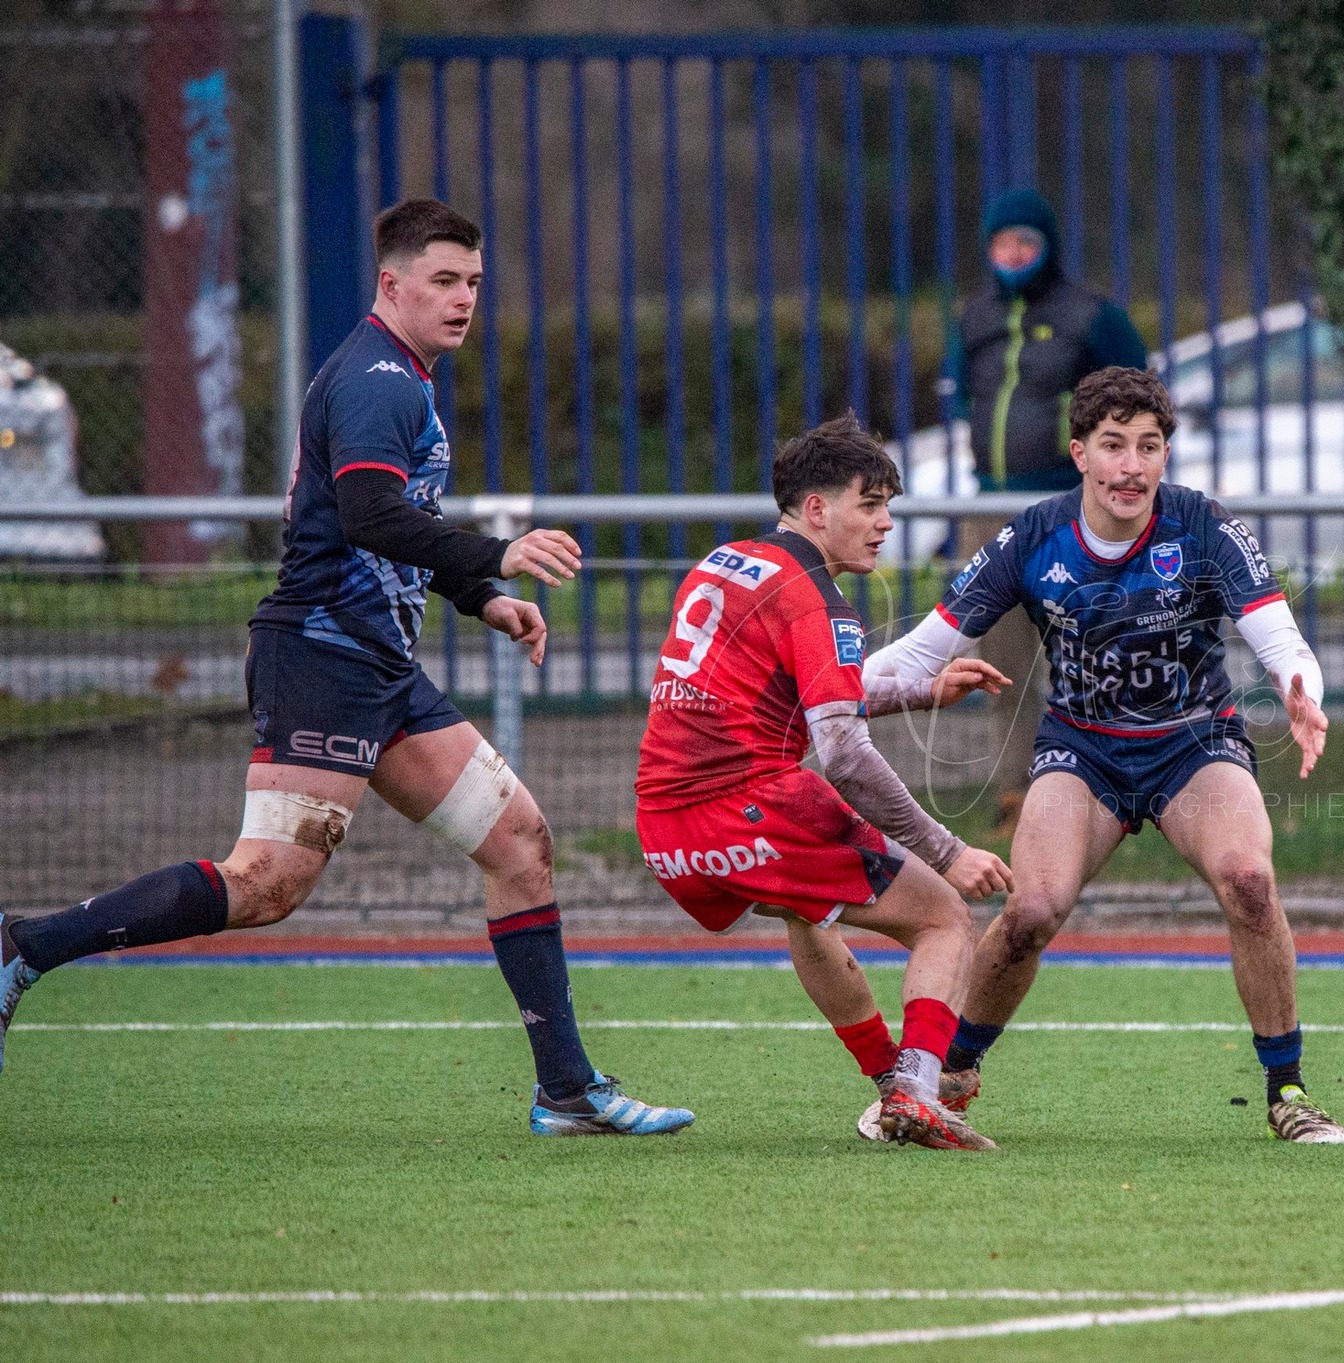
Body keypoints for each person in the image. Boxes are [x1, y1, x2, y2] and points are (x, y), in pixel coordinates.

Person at [0, 200, 691, 1137]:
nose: (462, 300)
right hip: (320, 657)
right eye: (443, 282)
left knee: (520, 842)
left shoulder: (402, 375)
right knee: (265, 885)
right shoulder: (378, 380)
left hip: (376, 663)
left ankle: (565, 1088)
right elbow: (367, 513)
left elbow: (373, 531)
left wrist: (476, 596)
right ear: (391, 284)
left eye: (474, 284)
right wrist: (497, 554)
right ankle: (24, 944)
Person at [864, 366, 1344, 1143]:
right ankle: (948, 1073)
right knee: (1030, 911)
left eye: (1149, 446)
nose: (1132, 466)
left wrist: (1300, 687)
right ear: (1079, 453)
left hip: (1194, 742)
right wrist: (822, 694)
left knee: (1250, 882)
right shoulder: (1032, 535)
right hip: (1083, 750)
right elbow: (922, 652)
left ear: (1165, 456)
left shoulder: (1204, 526)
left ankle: (1287, 1089)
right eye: (1114, 445)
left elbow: (1278, 635)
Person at [634, 413, 1015, 1151]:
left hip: (667, 828)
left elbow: (802, 694)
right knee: (943, 918)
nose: (884, 525)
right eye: (869, 505)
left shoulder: (724, 563)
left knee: (808, 913)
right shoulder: (815, 599)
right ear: (818, 509)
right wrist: (947, 851)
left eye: (888, 508)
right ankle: (915, 1087)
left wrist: (920, 690)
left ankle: (890, 1080)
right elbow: (841, 751)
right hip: (753, 809)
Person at [945, 188, 1151, 831]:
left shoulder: (1093, 317)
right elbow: (959, 398)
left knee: (1090, 650)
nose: (1012, 254)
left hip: (1070, 508)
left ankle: (1114, 790)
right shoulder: (975, 318)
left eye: (1025, 242)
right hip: (990, 509)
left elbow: (1140, 397)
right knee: (1000, 659)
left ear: (1047, 247)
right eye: (1002, 243)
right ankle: (1019, 793)